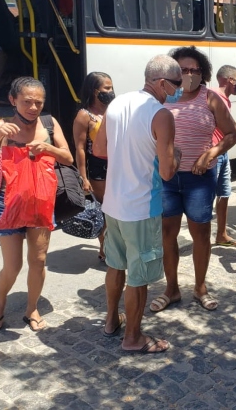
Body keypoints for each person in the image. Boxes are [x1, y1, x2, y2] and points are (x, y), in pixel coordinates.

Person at [0, 77, 73, 332]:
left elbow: (67, 158)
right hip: (8, 204)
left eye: (38, 103)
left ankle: (31, 307)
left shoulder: (49, 124)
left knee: (39, 259)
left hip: (41, 203)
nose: (33, 108)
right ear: (13, 100)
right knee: (12, 266)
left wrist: (47, 148)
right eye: (27, 102)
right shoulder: (1, 125)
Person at [93, 54, 181, 353]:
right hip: (141, 206)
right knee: (139, 278)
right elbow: (168, 172)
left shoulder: (116, 104)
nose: (179, 89)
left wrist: (128, 153)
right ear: (162, 83)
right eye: (177, 84)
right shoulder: (161, 115)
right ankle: (133, 338)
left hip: (114, 204)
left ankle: (110, 322)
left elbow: (99, 148)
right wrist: (174, 154)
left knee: (116, 266)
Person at [152, 46, 236, 313]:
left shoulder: (210, 98)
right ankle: (172, 289)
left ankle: (200, 287)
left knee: (200, 233)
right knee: (167, 234)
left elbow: (233, 134)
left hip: (199, 180)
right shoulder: (162, 99)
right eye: (183, 70)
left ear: (203, 73)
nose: (189, 74)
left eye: (195, 70)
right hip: (166, 178)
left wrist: (211, 153)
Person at [72, 72, 114, 261]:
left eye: (111, 87)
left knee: (118, 208)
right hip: (98, 167)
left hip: (117, 163)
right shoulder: (84, 115)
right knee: (106, 209)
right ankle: (105, 250)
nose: (110, 91)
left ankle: (115, 247)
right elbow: (80, 148)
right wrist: (83, 177)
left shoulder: (113, 110)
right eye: (106, 88)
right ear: (94, 90)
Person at [212, 65, 236, 248]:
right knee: (208, 196)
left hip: (223, 152)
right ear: (229, 80)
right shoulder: (214, 97)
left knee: (224, 193)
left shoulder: (225, 99)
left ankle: (221, 234)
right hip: (215, 152)